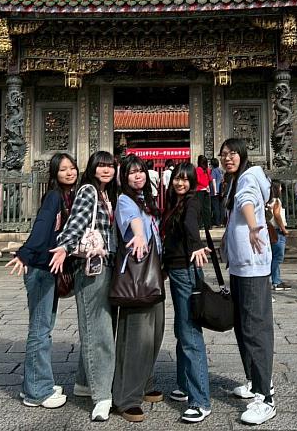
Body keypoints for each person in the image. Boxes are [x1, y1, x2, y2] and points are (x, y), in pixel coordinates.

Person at [50, 151, 118, 422]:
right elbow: (76, 222)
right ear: (91, 168)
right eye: (100, 165)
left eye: (110, 165)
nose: (106, 170)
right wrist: (65, 247)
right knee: (98, 330)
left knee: (98, 325)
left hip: (104, 266)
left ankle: (83, 382)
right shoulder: (89, 190)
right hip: (91, 269)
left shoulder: (106, 194)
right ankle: (101, 396)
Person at [6, 153, 78, 409]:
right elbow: (41, 226)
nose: (69, 173)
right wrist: (25, 253)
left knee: (43, 328)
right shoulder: (54, 197)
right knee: (40, 330)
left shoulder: (68, 197)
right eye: (63, 170)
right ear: (54, 174)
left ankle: (38, 383)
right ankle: (37, 391)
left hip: (47, 268)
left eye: (72, 168)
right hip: (39, 268)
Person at [219, 138, 276, 425]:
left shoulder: (250, 176)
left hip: (253, 264)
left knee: (255, 328)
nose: (228, 158)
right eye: (223, 155)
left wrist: (254, 226)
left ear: (243, 154)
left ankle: (265, 398)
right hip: (241, 265)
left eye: (233, 154)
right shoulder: (235, 179)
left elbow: (248, 200)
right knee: (243, 326)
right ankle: (256, 381)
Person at [112, 155, 165, 423]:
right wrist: (140, 235)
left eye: (141, 171)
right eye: (132, 172)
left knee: (154, 334)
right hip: (137, 278)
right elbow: (133, 224)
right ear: (124, 177)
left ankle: (143, 383)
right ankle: (125, 397)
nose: (137, 176)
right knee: (135, 339)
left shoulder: (146, 200)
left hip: (153, 274)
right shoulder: (125, 201)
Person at [161, 162, 212, 423]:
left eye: (185, 179)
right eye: (177, 179)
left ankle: (200, 400)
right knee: (182, 329)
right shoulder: (176, 202)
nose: (180, 183)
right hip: (176, 270)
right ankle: (184, 385)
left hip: (187, 271)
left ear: (193, 181)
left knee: (190, 333)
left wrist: (196, 246)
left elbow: (191, 225)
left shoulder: (192, 202)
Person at [267, 180, 291, 292]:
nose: (281, 189)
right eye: (280, 187)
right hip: (277, 230)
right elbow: (277, 215)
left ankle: (275, 279)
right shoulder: (276, 200)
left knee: (272, 256)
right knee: (278, 256)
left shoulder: (268, 201)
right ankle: (275, 280)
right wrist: (283, 228)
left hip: (270, 230)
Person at [195, 155, 211, 235]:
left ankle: (200, 224)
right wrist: (207, 185)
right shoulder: (207, 170)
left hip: (199, 190)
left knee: (199, 208)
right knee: (207, 208)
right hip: (206, 190)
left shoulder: (198, 169)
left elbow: (197, 179)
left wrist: (204, 185)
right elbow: (210, 179)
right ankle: (207, 224)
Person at [209, 157, 224, 226]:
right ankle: (221, 221)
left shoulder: (214, 171)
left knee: (215, 207)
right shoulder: (220, 170)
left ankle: (217, 222)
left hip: (215, 191)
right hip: (221, 191)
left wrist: (215, 190)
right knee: (220, 206)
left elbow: (213, 180)